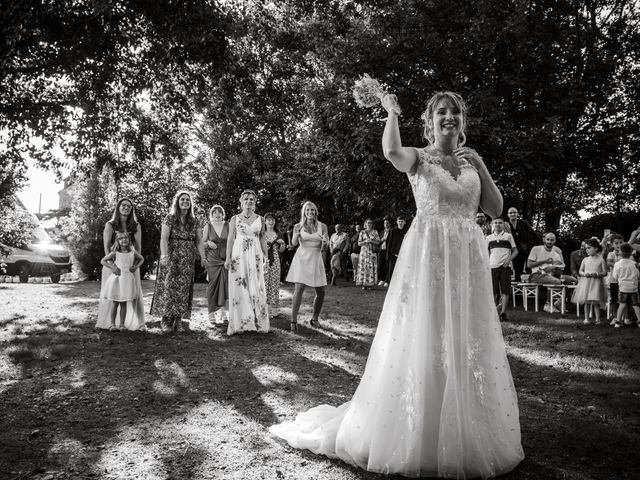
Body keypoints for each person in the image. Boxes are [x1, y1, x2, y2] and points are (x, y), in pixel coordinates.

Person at [270, 91, 524, 478]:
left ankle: (463, 425)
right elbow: (391, 151)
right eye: (441, 112)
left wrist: (484, 166)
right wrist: (390, 111)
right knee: (425, 334)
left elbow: (494, 209)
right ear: (430, 121)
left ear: (463, 120)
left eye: (455, 112)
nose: (449, 118)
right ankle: (421, 431)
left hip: (467, 262)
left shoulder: (472, 162)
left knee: (463, 337)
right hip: (429, 259)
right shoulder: (419, 158)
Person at [150, 191, 202, 333]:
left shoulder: (194, 220)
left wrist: (203, 257)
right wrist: (164, 256)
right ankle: (166, 319)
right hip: (172, 255)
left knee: (183, 289)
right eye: (182, 199)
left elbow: (199, 241)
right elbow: (163, 239)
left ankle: (179, 319)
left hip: (187, 257)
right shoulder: (170, 218)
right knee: (169, 286)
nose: (185, 201)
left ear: (190, 203)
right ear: (177, 202)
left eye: (187, 200)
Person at [96, 198, 145, 331]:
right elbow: (106, 246)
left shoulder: (135, 225)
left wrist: (135, 264)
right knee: (113, 295)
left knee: (134, 293)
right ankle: (110, 323)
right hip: (113, 265)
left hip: (130, 264)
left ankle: (138, 323)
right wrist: (112, 266)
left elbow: (138, 246)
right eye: (123, 205)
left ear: (131, 209)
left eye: (129, 206)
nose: (126, 208)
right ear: (118, 207)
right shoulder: (110, 225)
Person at [225, 189, 269, 335]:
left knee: (256, 286)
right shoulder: (234, 219)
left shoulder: (260, 219)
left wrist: (266, 257)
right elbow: (230, 239)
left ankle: (259, 321)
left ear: (255, 202)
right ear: (241, 201)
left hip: (255, 253)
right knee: (239, 286)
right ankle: (241, 323)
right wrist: (228, 258)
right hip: (239, 254)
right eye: (246, 199)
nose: (249, 201)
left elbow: (263, 238)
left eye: (252, 199)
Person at [286, 201, 329, 331]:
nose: (310, 212)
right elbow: (293, 244)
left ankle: (315, 318)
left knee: (321, 292)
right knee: (299, 290)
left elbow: (324, 248)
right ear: (304, 212)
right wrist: (297, 233)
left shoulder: (323, 226)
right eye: (307, 210)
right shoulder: (298, 226)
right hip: (302, 258)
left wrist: (325, 243)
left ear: (315, 212)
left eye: (312, 210)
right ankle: (293, 321)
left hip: (316, 258)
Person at [100, 232, 144, 331]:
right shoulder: (115, 253)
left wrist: (135, 267)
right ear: (117, 241)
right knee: (115, 303)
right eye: (121, 238)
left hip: (127, 280)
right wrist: (112, 267)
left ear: (129, 240)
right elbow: (102, 261)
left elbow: (141, 259)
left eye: (126, 238)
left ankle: (122, 324)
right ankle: (112, 324)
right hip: (117, 280)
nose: (124, 240)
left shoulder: (132, 252)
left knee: (124, 303)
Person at [200, 205, 229, 325]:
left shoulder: (228, 225)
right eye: (214, 212)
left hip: (226, 259)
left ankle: (223, 311)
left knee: (225, 285)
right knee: (212, 286)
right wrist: (208, 243)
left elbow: (233, 241)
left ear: (223, 214)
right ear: (211, 215)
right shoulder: (208, 226)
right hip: (212, 260)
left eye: (219, 212)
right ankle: (211, 313)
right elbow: (202, 243)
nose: (217, 214)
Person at [486, 218, 518, 321]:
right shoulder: (488, 238)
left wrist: (508, 260)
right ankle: (493, 313)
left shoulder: (508, 236)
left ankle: (503, 313)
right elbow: (486, 253)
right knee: (494, 291)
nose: (498, 224)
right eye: (495, 223)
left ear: (504, 225)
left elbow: (515, 251)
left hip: (505, 267)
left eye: (500, 223)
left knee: (505, 290)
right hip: (492, 267)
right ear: (492, 224)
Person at [572, 238, 607, 324]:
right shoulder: (585, 260)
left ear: (595, 248)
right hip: (586, 282)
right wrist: (584, 274)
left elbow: (605, 272)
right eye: (586, 248)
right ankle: (586, 318)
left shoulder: (601, 259)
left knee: (596, 301)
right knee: (586, 301)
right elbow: (580, 271)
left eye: (589, 248)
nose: (586, 250)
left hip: (596, 282)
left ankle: (597, 319)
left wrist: (597, 274)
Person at [611, 243, 640, 328]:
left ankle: (618, 322)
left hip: (623, 288)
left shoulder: (617, 264)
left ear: (620, 252)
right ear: (631, 252)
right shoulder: (634, 264)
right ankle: (639, 321)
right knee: (636, 305)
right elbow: (638, 275)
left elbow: (615, 276)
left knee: (622, 305)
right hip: (633, 288)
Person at [507, 207, 538, 281]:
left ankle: (530, 290)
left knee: (529, 270)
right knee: (517, 271)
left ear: (517, 214)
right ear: (508, 215)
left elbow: (534, 235)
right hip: (516, 251)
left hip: (527, 250)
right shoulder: (506, 225)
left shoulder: (524, 223)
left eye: (514, 212)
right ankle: (518, 291)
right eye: (510, 213)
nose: (512, 214)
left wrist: (532, 248)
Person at [264, 212, 286, 319]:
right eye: (268, 219)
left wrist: (282, 244)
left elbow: (282, 250)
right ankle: (264, 308)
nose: (271, 222)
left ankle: (273, 309)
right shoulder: (261, 234)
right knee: (264, 283)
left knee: (274, 282)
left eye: (272, 220)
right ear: (265, 221)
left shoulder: (279, 234)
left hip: (276, 260)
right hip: (263, 260)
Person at [605, 234, 625, 324]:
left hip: (624, 280)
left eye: (621, 242)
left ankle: (624, 317)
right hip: (614, 280)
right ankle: (615, 317)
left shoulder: (625, 254)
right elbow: (608, 263)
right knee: (614, 299)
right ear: (612, 245)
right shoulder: (611, 254)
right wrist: (617, 265)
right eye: (616, 243)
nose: (619, 245)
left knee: (624, 299)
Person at [356, 218, 380, 290]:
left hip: (372, 252)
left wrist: (371, 241)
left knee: (371, 267)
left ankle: (370, 284)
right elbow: (359, 243)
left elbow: (378, 242)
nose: (369, 224)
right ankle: (364, 284)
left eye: (370, 223)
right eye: (368, 223)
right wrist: (365, 241)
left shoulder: (375, 232)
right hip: (364, 252)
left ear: (372, 224)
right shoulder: (362, 232)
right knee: (364, 267)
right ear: (365, 224)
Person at [385, 215, 407, 283]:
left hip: (403, 254)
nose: (400, 223)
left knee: (402, 269)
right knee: (392, 270)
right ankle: (390, 283)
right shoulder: (393, 230)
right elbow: (389, 242)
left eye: (402, 221)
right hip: (393, 254)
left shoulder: (406, 231)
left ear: (404, 223)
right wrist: (388, 254)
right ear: (397, 222)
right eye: (399, 221)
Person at [377, 218, 392, 286]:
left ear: (390, 224)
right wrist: (381, 240)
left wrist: (386, 239)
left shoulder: (392, 231)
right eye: (384, 223)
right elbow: (378, 241)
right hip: (381, 250)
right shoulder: (382, 232)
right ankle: (382, 279)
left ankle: (387, 280)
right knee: (380, 265)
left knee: (387, 266)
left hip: (387, 250)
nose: (385, 224)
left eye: (387, 223)